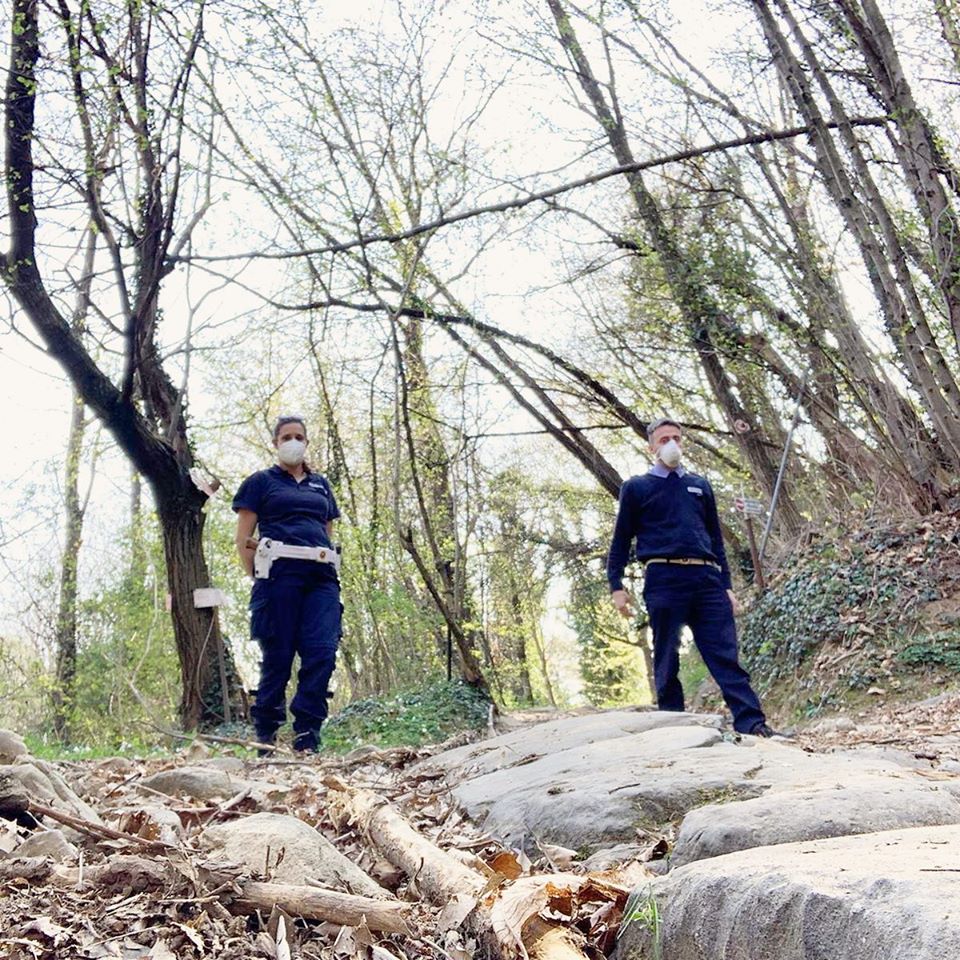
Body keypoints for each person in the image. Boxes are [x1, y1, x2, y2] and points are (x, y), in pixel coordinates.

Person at [606, 417, 778, 737]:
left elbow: (716, 540)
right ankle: (673, 727)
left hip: (706, 578)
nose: (672, 444)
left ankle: (752, 723)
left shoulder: (700, 485)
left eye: (676, 438)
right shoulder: (636, 488)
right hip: (663, 577)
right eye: (664, 439)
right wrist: (616, 585)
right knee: (667, 654)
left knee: (724, 653)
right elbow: (620, 541)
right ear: (652, 447)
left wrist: (727, 586)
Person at [233, 415, 342, 754]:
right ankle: (265, 737)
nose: (293, 442)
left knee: (322, 652)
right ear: (276, 443)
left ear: (306, 442)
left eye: (299, 436)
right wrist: (258, 575)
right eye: (286, 437)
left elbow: (326, 532)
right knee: (278, 656)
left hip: (321, 579)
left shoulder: (321, 485)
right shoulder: (260, 483)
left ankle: (307, 736)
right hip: (278, 577)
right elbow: (243, 539)